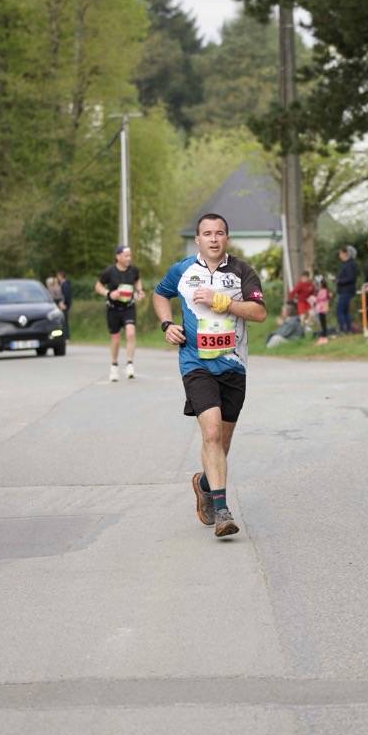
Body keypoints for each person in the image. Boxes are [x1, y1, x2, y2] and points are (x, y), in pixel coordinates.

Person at [152, 212, 266, 538]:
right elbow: (160, 294)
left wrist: (222, 302)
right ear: (197, 239)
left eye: (219, 233)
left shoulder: (242, 271)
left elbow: (259, 313)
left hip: (233, 365)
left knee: (222, 445)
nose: (213, 239)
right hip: (196, 363)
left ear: (227, 238)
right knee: (212, 434)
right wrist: (167, 325)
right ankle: (222, 511)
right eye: (207, 233)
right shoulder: (182, 270)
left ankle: (204, 484)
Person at [95, 245, 145, 381]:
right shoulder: (110, 271)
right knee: (116, 339)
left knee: (130, 333)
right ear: (118, 256)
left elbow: (137, 280)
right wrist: (108, 293)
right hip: (113, 309)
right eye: (126, 256)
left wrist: (140, 291)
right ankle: (114, 365)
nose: (129, 258)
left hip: (129, 307)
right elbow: (98, 286)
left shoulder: (133, 270)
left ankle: (130, 364)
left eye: (130, 256)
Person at [335, 245, 358, 334]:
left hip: (346, 291)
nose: (339, 256)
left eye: (341, 253)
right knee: (345, 311)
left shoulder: (349, 265)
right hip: (344, 291)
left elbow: (351, 277)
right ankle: (348, 329)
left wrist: (339, 281)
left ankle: (342, 329)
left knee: (340, 309)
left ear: (345, 254)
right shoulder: (346, 265)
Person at [311, 276, 331, 341]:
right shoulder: (322, 291)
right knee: (322, 320)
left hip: (322, 308)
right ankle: (323, 331)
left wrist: (313, 298)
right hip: (321, 308)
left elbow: (320, 298)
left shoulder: (324, 291)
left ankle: (324, 332)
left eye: (319, 284)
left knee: (323, 320)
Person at [57, 269, 72, 341]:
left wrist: (64, 303)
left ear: (61, 276)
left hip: (64, 305)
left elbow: (66, 295)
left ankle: (66, 337)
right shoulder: (63, 284)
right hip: (64, 305)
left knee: (64, 321)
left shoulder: (64, 284)